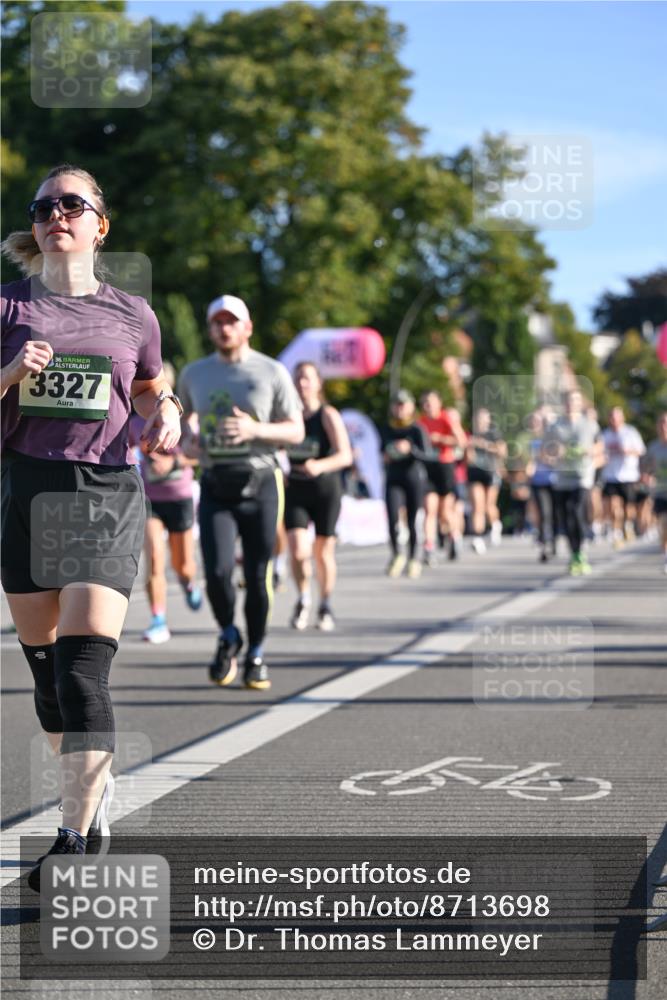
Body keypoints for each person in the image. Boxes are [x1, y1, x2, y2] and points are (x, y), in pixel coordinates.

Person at [0, 165, 181, 889]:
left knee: (82, 669)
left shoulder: (134, 313)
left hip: (104, 490)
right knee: (46, 678)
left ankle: (74, 833)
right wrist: (12, 371)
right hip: (26, 490)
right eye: (44, 207)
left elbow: (146, 384)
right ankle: (93, 797)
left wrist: (164, 410)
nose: (56, 216)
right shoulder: (8, 306)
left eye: (72, 204)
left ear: (99, 224)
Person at [177, 294, 304, 691]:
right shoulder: (194, 373)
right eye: (217, 322)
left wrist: (255, 430)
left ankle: (257, 652)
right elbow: (182, 427)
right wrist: (188, 445)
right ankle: (228, 634)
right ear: (210, 328)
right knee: (216, 572)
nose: (224, 328)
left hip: (262, 482)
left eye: (232, 321)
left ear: (247, 328)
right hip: (215, 481)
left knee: (257, 573)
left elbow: (296, 431)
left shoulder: (271, 372)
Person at [129, 362, 202, 644]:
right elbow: (127, 449)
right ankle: (158, 619)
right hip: (150, 498)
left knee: (183, 566)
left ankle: (188, 583)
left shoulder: (184, 421)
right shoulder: (136, 421)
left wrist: (175, 460)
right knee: (155, 560)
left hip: (179, 496)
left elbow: (199, 453)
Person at [285, 362, 352, 631]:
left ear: (318, 383)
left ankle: (325, 604)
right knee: (298, 550)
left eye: (308, 379)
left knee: (322, 553)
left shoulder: (327, 415)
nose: (302, 384)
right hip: (295, 490)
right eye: (299, 378)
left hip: (326, 489)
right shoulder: (287, 416)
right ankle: (303, 598)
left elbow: (345, 455)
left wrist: (319, 466)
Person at [545, 390, 602, 575]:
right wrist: (555, 453)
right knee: (566, 516)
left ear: (579, 403)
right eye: (568, 401)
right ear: (564, 403)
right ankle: (574, 553)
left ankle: (582, 550)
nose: (571, 404)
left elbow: (600, 445)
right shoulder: (555, 426)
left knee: (576, 511)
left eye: (575, 400)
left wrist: (590, 451)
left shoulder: (589, 424)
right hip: (562, 477)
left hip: (582, 475)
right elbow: (545, 451)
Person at [380, 390, 431, 579]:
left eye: (403, 405)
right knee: (392, 517)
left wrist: (411, 449)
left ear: (410, 407)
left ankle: (413, 558)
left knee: (412, 520)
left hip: (413, 478)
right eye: (397, 405)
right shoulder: (387, 428)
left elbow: (428, 455)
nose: (400, 409)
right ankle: (396, 555)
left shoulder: (416, 429)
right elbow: (381, 450)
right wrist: (386, 455)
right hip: (394, 478)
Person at [418, 390, 467, 563]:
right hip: (428, 467)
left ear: (439, 403)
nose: (427, 406)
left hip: (445, 466)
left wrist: (440, 439)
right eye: (425, 403)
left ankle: (454, 536)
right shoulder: (421, 421)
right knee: (429, 509)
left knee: (445, 511)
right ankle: (429, 546)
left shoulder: (446, 418)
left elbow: (461, 441)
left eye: (430, 403)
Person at [601, 406, 645, 549]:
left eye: (616, 417)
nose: (614, 420)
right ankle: (616, 533)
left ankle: (627, 525)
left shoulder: (630, 432)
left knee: (628, 508)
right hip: (610, 476)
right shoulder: (605, 435)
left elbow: (641, 451)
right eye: (611, 418)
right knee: (613, 506)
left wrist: (628, 451)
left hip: (628, 476)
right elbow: (599, 452)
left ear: (622, 418)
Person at [466, 407, 506, 553]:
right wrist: (469, 448)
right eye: (478, 418)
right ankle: (477, 538)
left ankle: (495, 524)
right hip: (474, 472)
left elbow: (502, 451)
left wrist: (485, 445)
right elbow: (468, 457)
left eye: (483, 418)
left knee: (489, 505)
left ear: (488, 420)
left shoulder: (494, 434)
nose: (480, 421)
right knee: (477, 506)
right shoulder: (470, 434)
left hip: (491, 472)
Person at [527, 410, 556, 562]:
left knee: (556, 514)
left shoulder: (558, 441)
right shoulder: (534, 442)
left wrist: (549, 458)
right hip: (539, 482)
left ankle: (553, 541)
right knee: (544, 513)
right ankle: (544, 543)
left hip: (557, 482)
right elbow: (530, 463)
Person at [641, 411, 667, 574]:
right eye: (662, 423)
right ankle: (666, 555)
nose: (664, 427)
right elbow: (646, 468)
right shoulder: (653, 447)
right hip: (661, 492)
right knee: (664, 525)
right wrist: (646, 477)